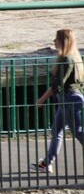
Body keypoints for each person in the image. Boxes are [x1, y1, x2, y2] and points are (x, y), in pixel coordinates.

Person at [33, 29, 84, 174]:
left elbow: (57, 85)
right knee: (57, 131)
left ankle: (47, 162)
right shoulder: (71, 57)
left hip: (69, 99)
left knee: (79, 132)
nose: (54, 41)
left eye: (56, 38)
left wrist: (42, 99)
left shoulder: (67, 59)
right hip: (66, 99)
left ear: (63, 41)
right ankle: (47, 163)